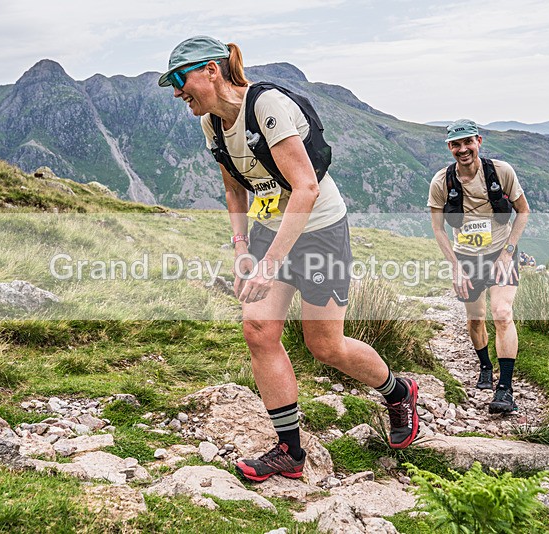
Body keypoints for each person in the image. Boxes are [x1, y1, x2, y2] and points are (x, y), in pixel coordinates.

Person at [159, 36, 419, 481]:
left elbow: (306, 188)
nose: (177, 92)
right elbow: (234, 188)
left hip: (318, 231)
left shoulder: (267, 106)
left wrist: (269, 265)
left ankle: (398, 392)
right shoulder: (211, 124)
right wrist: (242, 248)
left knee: (325, 346)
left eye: (180, 79)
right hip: (268, 229)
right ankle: (290, 451)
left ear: (211, 70)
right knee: (259, 330)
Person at [427, 119, 530, 414]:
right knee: (475, 319)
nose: (463, 149)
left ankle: (505, 389)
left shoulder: (501, 172)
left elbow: (523, 211)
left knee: (502, 314)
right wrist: (455, 267)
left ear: (478, 142)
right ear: (450, 147)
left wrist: (508, 253)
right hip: (466, 258)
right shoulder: (441, 182)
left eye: (468, 142)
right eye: (456, 144)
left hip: (500, 254)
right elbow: (438, 229)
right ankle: (485, 366)